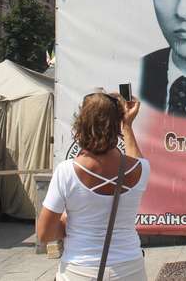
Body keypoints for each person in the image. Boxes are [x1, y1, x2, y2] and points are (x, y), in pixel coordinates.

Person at [38, 93, 149, 281]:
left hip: (80, 270)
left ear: (80, 125)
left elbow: (44, 233)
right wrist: (127, 125)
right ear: (117, 127)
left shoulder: (66, 172)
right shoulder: (140, 169)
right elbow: (134, 158)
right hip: (129, 269)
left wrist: (66, 223)